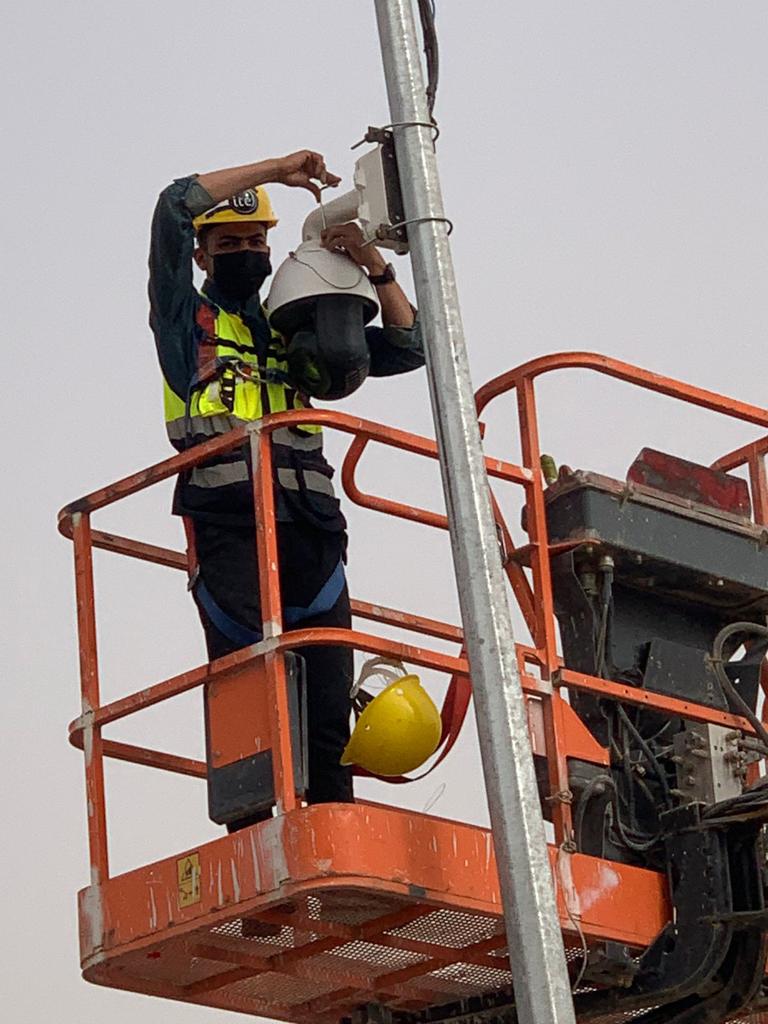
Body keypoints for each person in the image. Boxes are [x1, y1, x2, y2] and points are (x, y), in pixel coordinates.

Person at [148, 150, 425, 823]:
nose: (245, 253)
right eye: (228, 244)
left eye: (255, 242)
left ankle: (332, 829)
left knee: (328, 708)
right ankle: (253, 845)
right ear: (201, 256)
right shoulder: (187, 325)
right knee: (249, 706)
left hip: (312, 533)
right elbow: (172, 204)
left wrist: (371, 263)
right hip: (231, 535)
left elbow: (411, 345)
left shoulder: (293, 329)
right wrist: (276, 171)